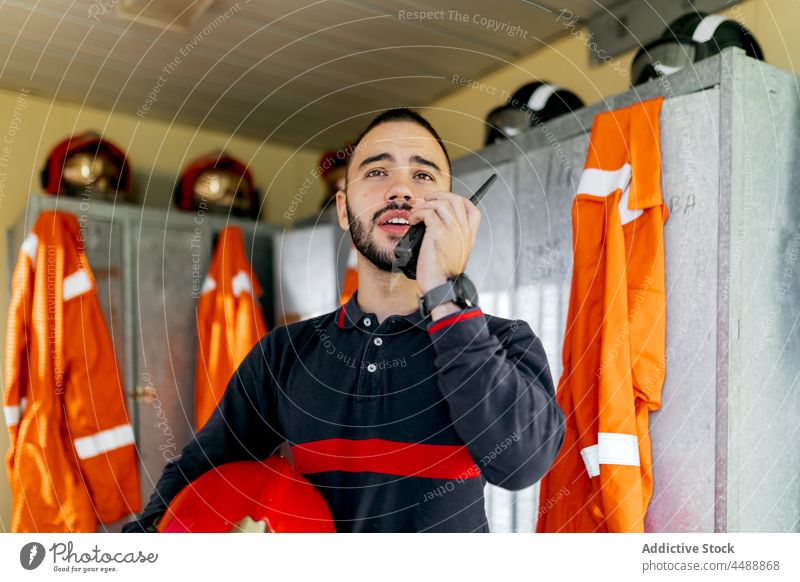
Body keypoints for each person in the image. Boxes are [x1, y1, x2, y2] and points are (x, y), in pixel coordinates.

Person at [123, 108, 565, 533]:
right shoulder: (285, 354)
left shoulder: (504, 341)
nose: (401, 191)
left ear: (451, 209)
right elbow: (199, 472)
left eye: (423, 175)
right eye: (377, 172)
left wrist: (445, 292)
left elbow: (522, 462)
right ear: (341, 208)